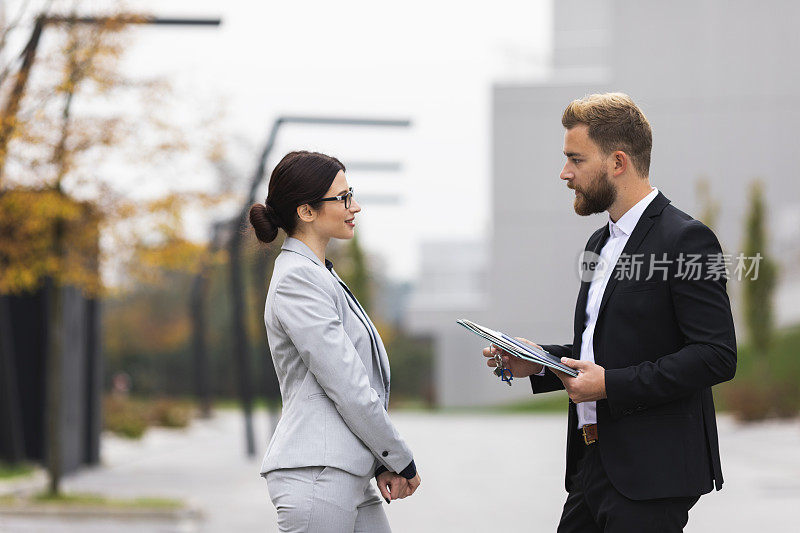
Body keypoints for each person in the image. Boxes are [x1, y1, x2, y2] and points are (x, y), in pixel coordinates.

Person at [482, 93, 736, 532]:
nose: (565, 173)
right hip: (593, 464)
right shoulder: (598, 244)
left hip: (652, 475)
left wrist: (611, 385)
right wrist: (538, 362)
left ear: (617, 162)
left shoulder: (688, 240)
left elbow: (716, 355)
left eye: (575, 159)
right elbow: (598, 350)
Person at [251, 151, 420, 532]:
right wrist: (398, 458)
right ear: (306, 211)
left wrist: (380, 460)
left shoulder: (319, 274)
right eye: (342, 198)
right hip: (318, 476)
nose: (354, 206)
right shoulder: (299, 279)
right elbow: (347, 383)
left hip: (345, 474)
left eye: (351, 194)